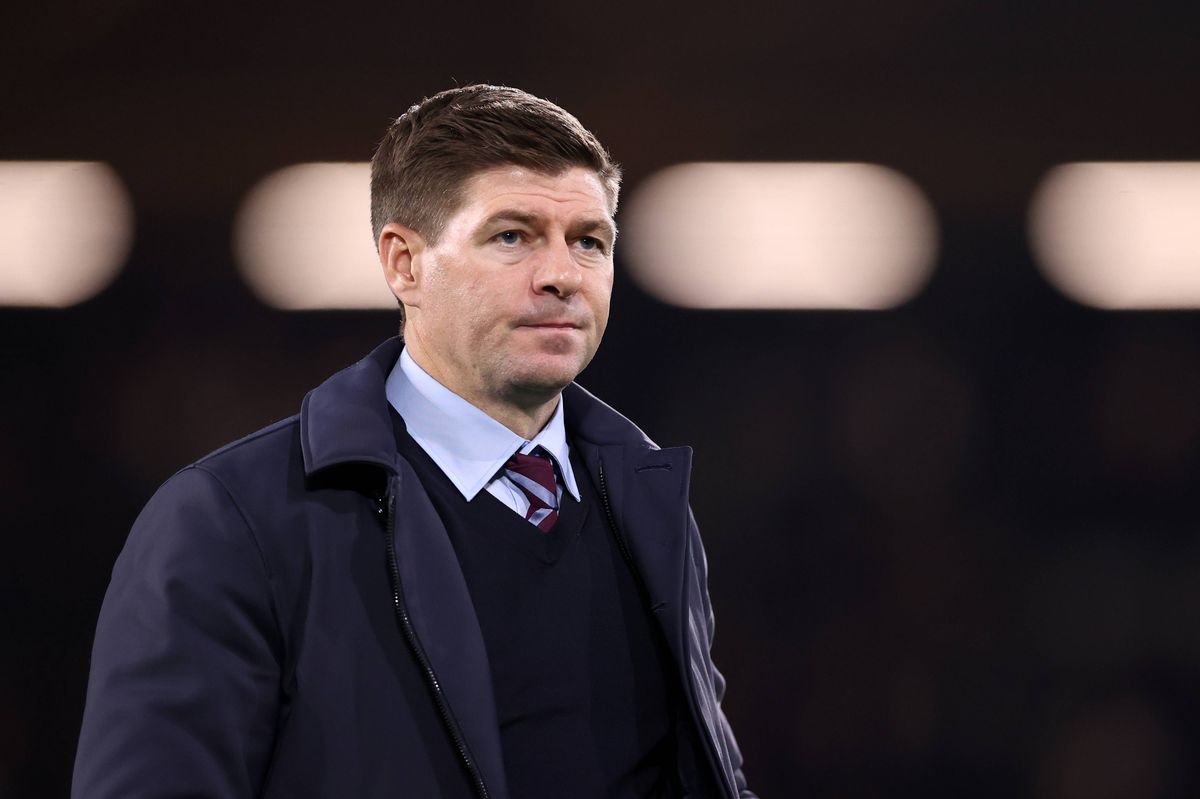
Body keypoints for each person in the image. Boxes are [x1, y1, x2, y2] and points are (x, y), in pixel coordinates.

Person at [73, 84, 755, 799]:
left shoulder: (646, 502)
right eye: (512, 236)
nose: (562, 275)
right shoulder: (230, 521)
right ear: (404, 264)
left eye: (589, 241)